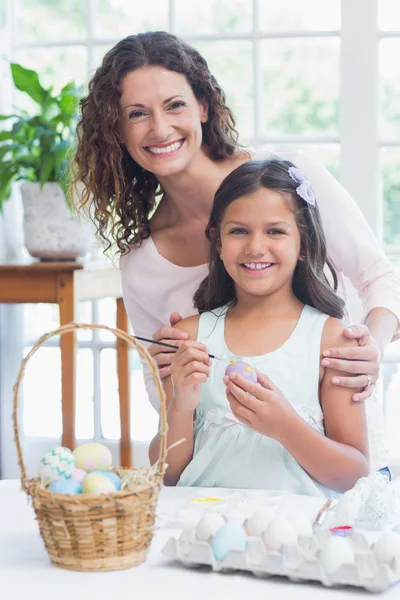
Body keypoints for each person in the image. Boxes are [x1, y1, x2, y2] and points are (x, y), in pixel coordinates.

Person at [72, 31, 400, 476]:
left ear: (203, 107)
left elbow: (380, 275)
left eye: (175, 105)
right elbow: (168, 409)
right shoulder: (143, 265)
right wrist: (175, 378)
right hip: (223, 484)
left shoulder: (292, 179)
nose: (160, 128)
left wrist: (371, 349)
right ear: (117, 130)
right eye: (136, 114)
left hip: (339, 470)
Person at [148, 157, 369, 495]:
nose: (255, 247)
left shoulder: (334, 341)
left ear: (304, 244)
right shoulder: (190, 338)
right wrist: (182, 404)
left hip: (298, 535)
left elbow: (354, 476)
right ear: (218, 242)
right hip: (200, 529)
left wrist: (284, 426)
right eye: (238, 231)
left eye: (275, 231)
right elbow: (166, 475)